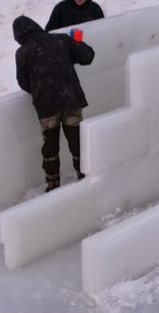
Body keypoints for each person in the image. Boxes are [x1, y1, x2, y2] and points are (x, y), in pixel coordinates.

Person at [13, 15, 96, 191]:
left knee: (50, 147)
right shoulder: (60, 39)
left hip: (47, 107)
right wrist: (77, 42)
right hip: (70, 100)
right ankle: (85, 178)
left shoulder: (22, 52)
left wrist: (41, 91)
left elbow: (23, 82)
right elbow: (88, 56)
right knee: (77, 142)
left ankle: (53, 184)